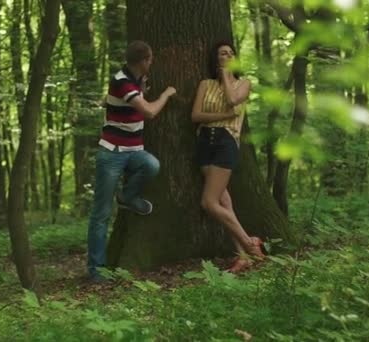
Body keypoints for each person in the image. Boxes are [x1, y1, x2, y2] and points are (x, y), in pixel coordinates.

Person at [88, 40, 176, 282]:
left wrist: (143, 92)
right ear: (144, 61)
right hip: (112, 153)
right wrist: (166, 95)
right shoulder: (122, 81)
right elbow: (149, 112)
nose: (153, 62)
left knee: (151, 165)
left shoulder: (134, 80)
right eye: (151, 59)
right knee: (101, 214)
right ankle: (96, 270)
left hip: (133, 150)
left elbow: (132, 103)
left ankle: (127, 197)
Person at [191, 41, 265, 273]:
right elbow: (195, 115)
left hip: (226, 141)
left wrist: (225, 74)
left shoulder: (244, 84)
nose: (228, 56)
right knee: (223, 201)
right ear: (215, 59)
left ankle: (249, 244)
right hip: (204, 141)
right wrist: (223, 114)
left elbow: (234, 100)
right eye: (223, 53)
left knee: (209, 202)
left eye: (231, 53)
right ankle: (243, 255)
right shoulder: (206, 84)